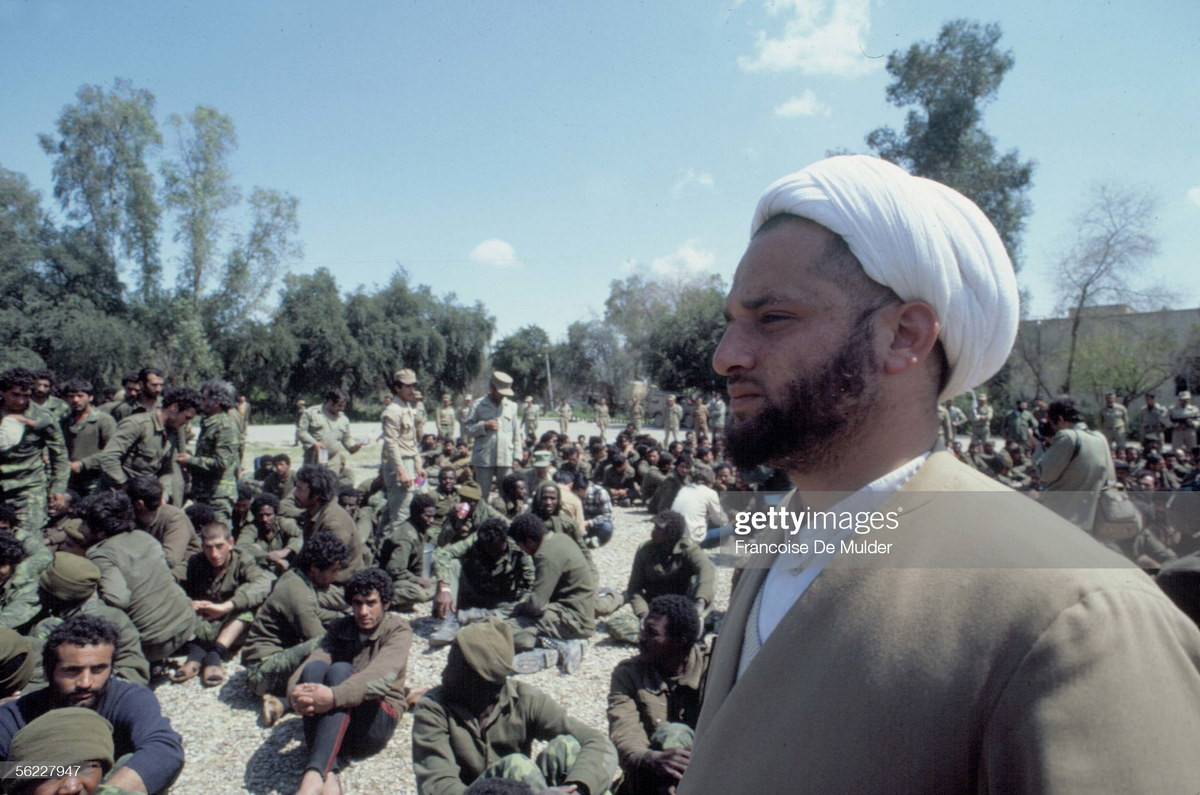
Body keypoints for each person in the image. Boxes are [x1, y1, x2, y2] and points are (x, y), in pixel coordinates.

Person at [680, 155, 1200, 793]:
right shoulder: (772, 541)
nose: (726, 356)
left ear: (905, 336)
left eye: (774, 319)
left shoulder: (1081, 617)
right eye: (730, 322)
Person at [411, 617, 618, 795]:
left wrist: (578, 788)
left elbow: (596, 742)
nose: (444, 674)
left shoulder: (524, 699)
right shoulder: (433, 708)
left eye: (454, 667)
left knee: (568, 747)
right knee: (516, 766)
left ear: (483, 680)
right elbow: (437, 786)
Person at [0, 614, 185, 793]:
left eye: (98, 669)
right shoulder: (16, 714)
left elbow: (164, 748)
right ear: (49, 671)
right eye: (72, 671)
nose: (85, 682)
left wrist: (108, 792)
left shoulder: (128, 698)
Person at [287, 568, 413, 795]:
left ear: (385, 603)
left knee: (341, 670)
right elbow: (315, 658)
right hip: (341, 722)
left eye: (370, 603)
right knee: (316, 668)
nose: (363, 611)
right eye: (357, 603)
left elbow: (380, 678)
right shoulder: (341, 627)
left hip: (373, 723)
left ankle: (313, 774)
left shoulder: (398, 631)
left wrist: (333, 696)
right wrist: (294, 693)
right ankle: (328, 772)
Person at [242, 531, 350, 727]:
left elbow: (316, 612)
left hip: (273, 660)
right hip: (263, 671)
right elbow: (321, 642)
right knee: (329, 645)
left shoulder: (296, 576)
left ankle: (282, 703)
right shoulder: (297, 592)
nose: (336, 576)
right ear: (315, 568)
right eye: (333, 571)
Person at [76, 491, 195, 665]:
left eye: (85, 524)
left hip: (153, 644)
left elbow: (118, 599)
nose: (80, 528)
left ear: (100, 532)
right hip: (186, 623)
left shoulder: (100, 553)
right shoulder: (144, 537)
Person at [608, 594, 709, 794]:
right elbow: (624, 731)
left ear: (680, 641)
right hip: (648, 776)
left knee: (675, 734)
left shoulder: (713, 669)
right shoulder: (629, 674)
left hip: (704, 775)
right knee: (672, 735)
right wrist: (649, 758)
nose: (641, 637)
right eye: (643, 629)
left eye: (652, 633)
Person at [176, 521, 272, 687]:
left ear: (231, 543)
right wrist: (187, 602)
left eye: (219, 546)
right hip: (203, 620)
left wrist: (227, 606)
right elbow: (168, 579)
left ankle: (214, 655)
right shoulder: (195, 562)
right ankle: (196, 653)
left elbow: (265, 581)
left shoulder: (242, 560)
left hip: (231, 622)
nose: (214, 553)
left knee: (249, 604)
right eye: (208, 547)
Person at [0, 367, 69, 544]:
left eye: (26, 395)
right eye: (15, 394)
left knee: (29, 540)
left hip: (29, 486)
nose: (21, 401)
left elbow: (59, 455)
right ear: (2, 392)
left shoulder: (43, 417)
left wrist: (57, 489)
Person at [1035, 397, 1113, 532]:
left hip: (1063, 516)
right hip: (1091, 517)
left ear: (1060, 420)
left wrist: (1038, 447)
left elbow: (1044, 474)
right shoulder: (1100, 438)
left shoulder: (1067, 436)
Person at [177, 379, 240, 525]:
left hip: (217, 496)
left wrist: (190, 460)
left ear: (216, 402)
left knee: (219, 537)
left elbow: (221, 463)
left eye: (204, 399)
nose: (200, 402)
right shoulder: (210, 423)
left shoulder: (224, 426)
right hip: (204, 493)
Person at [464, 372, 522, 500]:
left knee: (507, 495)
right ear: (492, 388)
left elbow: (516, 434)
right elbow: (467, 429)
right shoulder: (478, 405)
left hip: (506, 458)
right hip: (484, 458)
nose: (503, 396)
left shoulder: (512, 406)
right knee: (481, 496)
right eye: (501, 392)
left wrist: (517, 457)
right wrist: (484, 425)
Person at [376, 493, 437, 611]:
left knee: (438, 582)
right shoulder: (406, 537)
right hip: (389, 579)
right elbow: (394, 569)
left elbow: (417, 561)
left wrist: (422, 579)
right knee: (419, 594)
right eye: (427, 516)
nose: (431, 521)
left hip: (406, 576)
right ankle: (381, 599)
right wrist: (418, 581)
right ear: (416, 514)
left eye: (433, 516)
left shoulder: (419, 529)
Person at [382, 368, 424, 529]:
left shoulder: (406, 407)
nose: (412, 390)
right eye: (408, 386)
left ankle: (381, 545)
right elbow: (391, 444)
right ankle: (395, 550)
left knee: (396, 511)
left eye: (414, 386)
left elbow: (411, 441)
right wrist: (401, 472)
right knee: (400, 516)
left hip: (409, 463)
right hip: (399, 466)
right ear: (397, 388)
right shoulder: (393, 411)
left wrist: (418, 464)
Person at [61, 378, 117, 497]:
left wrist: (83, 464)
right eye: (71, 396)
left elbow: (112, 451)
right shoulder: (65, 421)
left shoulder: (104, 420)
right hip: (69, 480)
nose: (75, 400)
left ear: (90, 397)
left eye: (80, 396)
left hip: (96, 480)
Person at [297, 389, 363, 480]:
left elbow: (347, 439)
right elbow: (301, 432)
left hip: (333, 462)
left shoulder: (343, 419)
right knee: (311, 485)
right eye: (339, 405)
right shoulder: (311, 413)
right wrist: (314, 443)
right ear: (330, 401)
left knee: (330, 488)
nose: (342, 408)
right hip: (314, 459)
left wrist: (354, 446)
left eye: (343, 405)